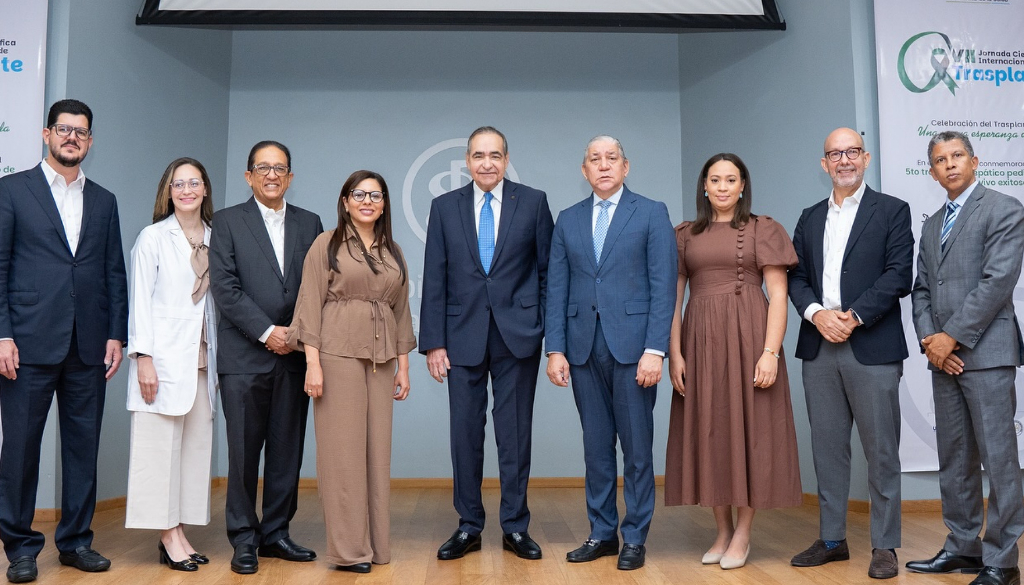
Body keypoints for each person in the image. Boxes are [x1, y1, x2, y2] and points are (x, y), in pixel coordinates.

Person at [0, 99, 128, 583]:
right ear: (46, 134)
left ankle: (75, 542)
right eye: (64, 129)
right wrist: (2, 334)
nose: (72, 137)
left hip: (89, 347)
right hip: (26, 346)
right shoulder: (11, 191)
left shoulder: (104, 200)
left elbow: (113, 272)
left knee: (82, 450)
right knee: (20, 451)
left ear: (90, 142)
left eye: (81, 132)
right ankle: (20, 546)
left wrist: (117, 333)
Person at [419, 127, 554, 561]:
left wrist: (549, 337)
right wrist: (433, 343)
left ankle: (515, 527)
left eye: (495, 155)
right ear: (467, 160)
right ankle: (469, 526)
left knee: (514, 436)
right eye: (479, 156)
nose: (487, 163)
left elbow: (549, 271)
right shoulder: (445, 207)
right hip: (460, 337)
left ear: (507, 158)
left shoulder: (532, 202)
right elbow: (434, 277)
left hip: (518, 338)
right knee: (465, 435)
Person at [663, 152, 801, 570]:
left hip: (749, 337)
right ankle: (721, 530)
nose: (723, 187)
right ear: (704, 186)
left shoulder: (764, 229)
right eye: (715, 180)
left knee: (751, 430)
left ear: (743, 186)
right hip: (699, 340)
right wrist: (675, 353)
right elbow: (674, 299)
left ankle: (743, 532)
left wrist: (770, 352)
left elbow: (779, 294)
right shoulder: (684, 235)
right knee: (709, 431)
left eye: (731, 180)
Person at [787, 128, 914, 579]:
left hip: (872, 346)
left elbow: (899, 274)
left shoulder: (893, 211)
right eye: (835, 154)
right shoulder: (808, 217)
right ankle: (832, 539)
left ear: (866, 158)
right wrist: (819, 314)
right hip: (819, 345)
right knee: (827, 449)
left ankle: (884, 546)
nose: (844, 160)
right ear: (824, 164)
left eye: (852, 152)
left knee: (881, 452)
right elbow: (796, 278)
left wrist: (854, 316)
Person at [546, 135, 676, 571]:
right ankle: (602, 533)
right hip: (582, 349)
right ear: (584, 170)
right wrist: (556, 349)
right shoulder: (567, 219)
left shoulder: (652, 213)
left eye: (611, 158)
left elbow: (664, 289)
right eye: (594, 160)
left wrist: (655, 349)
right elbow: (557, 289)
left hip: (636, 348)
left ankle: (634, 538)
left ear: (626, 166)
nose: (603, 166)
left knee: (637, 449)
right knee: (596, 447)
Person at [908, 131, 1024, 585]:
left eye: (957, 156)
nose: (950, 164)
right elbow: (921, 291)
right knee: (954, 456)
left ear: (974, 161)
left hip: (987, 353)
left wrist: (951, 338)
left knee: (998, 459)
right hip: (943, 357)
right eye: (940, 159)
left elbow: (997, 282)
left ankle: (1002, 561)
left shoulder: (1003, 209)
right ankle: (962, 546)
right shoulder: (932, 223)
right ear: (932, 170)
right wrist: (931, 341)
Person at [287, 170, 415, 573]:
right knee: (343, 456)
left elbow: (402, 310)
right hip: (336, 356)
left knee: (377, 455)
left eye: (375, 195)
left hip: (382, 361)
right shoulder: (326, 245)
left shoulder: (392, 249)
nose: (367, 201)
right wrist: (313, 364)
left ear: (384, 204)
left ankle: (376, 546)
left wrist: (404, 367)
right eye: (359, 194)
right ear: (345, 201)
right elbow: (309, 304)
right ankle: (348, 551)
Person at [209, 141, 323, 575]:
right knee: (243, 453)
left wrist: (295, 336)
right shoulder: (226, 221)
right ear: (248, 176)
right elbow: (225, 288)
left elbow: (316, 288)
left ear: (290, 177)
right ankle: (243, 538)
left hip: (294, 357)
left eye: (280, 168)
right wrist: (267, 331)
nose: (272, 175)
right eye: (263, 167)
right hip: (244, 357)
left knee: (286, 451)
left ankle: (276, 533)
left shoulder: (310, 223)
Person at [124, 157, 219, 572]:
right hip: (161, 359)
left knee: (193, 451)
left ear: (204, 189)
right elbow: (139, 300)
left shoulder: (217, 237)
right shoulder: (153, 237)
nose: (186, 190)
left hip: (202, 359)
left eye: (193, 182)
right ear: (168, 191)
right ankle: (166, 536)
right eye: (178, 184)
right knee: (159, 451)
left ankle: (178, 531)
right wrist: (143, 358)